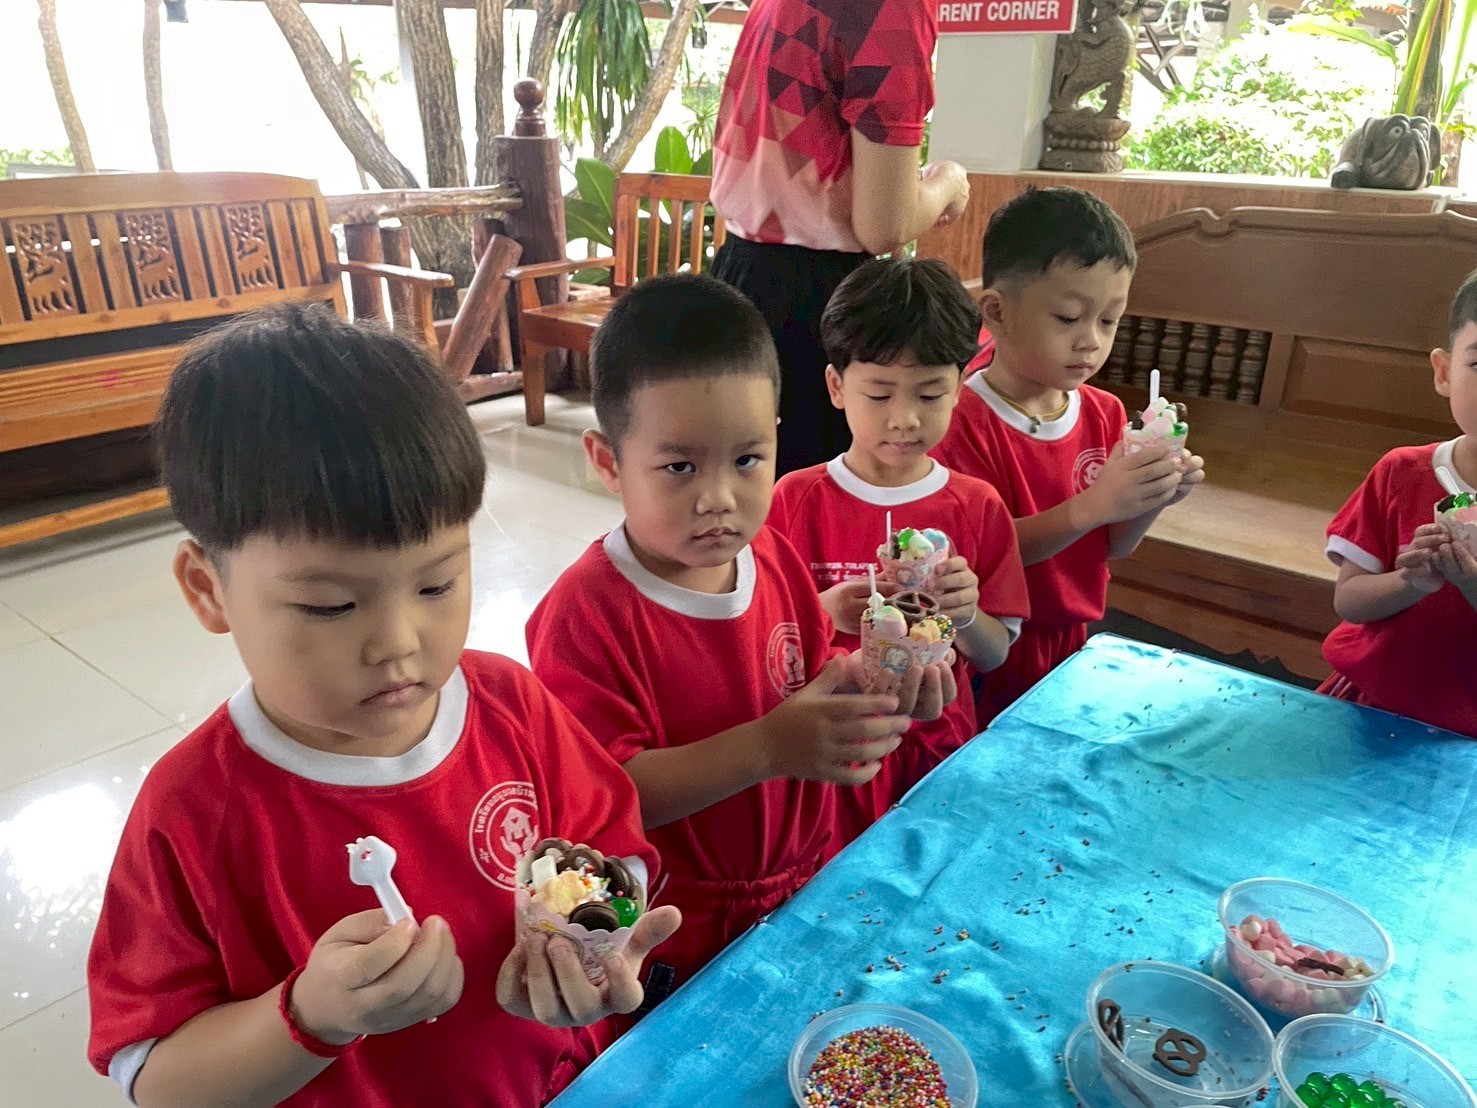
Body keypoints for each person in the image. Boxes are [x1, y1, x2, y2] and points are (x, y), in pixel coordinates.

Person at [86, 305, 681, 1108]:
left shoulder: (510, 705)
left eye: (437, 585)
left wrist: (596, 946)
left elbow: (613, 848)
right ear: (208, 589)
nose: (397, 643)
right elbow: (158, 1081)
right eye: (330, 606)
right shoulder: (193, 812)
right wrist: (308, 1018)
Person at [526, 275, 955, 996]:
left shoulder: (775, 559)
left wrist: (876, 685)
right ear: (607, 463)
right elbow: (598, 798)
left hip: (809, 878)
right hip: (679, 923)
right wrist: (767, 747)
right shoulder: (584, 615)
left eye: (747, 459)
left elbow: (813, 676)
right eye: (679, 467)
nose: (719, 498)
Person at [768, 257, 1030, 843]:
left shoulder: (976, 506)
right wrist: (822, 610)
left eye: (930, 393)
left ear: (959, 388)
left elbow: (994, 655)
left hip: (937, 744)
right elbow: (764, 640)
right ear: (837, 387)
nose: (904, 419)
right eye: (879, 393)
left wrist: (965, 615)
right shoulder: (795, 500)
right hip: (832, 751)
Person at [933, 187, 1206, 721]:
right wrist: (1094, 505)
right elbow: (979, 557)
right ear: (997, 312)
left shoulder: (1104, 413)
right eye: (1068, 318)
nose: (1091, 342)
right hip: (990, 646)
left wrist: (1151, 495)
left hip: (1075, 641)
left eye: (1108, 320)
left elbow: (1113, 545)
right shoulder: (962, 420)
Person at [709, 0, 971, 476]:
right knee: (816, 503)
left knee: (740, 490)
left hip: (736, 273)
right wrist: (948, 183)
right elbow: (884, 224)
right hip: (815, 301)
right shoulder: (895, 7)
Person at [1319, 271, 1477, 737]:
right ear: (1444, 372)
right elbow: (1349, 600)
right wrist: (1412, 582)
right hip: (1371, 706)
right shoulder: (1401, 472)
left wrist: (1470, 584)